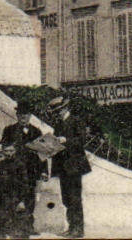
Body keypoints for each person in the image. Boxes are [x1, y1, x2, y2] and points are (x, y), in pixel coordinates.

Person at [45, 95, 91, 239]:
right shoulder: (58, 125)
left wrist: (66, 140)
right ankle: (72, 227)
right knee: (66, 198)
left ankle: (78, 229)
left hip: (74, 166)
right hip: (63, 167)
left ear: (65, 108)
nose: (57, 113)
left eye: (59, 110)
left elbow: (82, 140)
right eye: (56, 111)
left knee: (74, 198)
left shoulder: (76, 121)